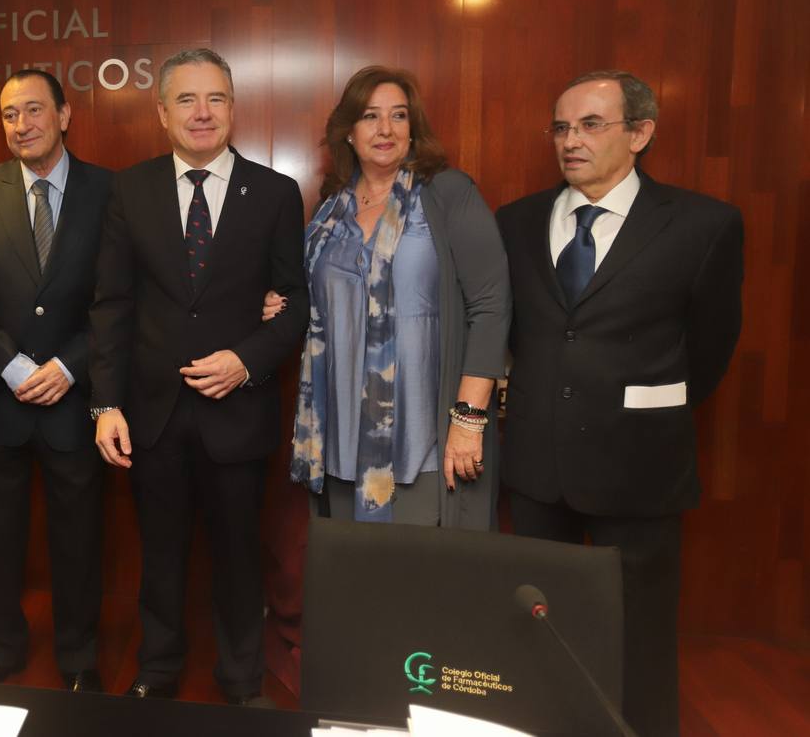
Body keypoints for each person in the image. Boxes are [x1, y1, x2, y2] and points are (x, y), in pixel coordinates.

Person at [496, 70, 743, 737]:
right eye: (561, 127)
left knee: (641, 640)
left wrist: (639, 406)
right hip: (537, 468)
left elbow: (711, 349)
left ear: (640, 133)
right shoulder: (515, 222)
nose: (570, 140)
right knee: (539, 630)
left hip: (641, 469)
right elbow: (511, 332)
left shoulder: (703, 225)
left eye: (590, 124)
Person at [89, 48, 308, 703]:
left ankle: (241, 679)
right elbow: (112, 303)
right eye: (186, 99)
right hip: (151, 413)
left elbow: (295, 303)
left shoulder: (274, 193)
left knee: (240, 556)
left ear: (234, 109)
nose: (202, 112)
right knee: (159, 557)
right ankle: (157, 670)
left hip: (238, 413)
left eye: (215, 98)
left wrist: (247, 359)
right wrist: (105, 403)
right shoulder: (129, 189)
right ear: (162, 112)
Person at [0, 69, 111, 691]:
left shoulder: (108, 191)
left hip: (76, 397)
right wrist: (14, 366)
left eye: (35, 110)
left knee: (79, 538)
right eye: (10, 114)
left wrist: (70, 366)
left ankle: (79, 656)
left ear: (65, 116)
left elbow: (117, 296)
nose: (22, 124)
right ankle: (0, 647)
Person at [286, 66, 510, 526]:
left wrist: (468, 421)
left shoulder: (447, 194)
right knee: (356, 586)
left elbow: (490, 304)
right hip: (340, 439)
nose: (385, 129)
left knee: (422, 587)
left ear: (414, 128)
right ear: (348, 132)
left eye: (399, 116)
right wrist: (285, 304)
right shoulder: (330, 209)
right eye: (370, 116)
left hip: (423, 439)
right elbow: (321, 304)